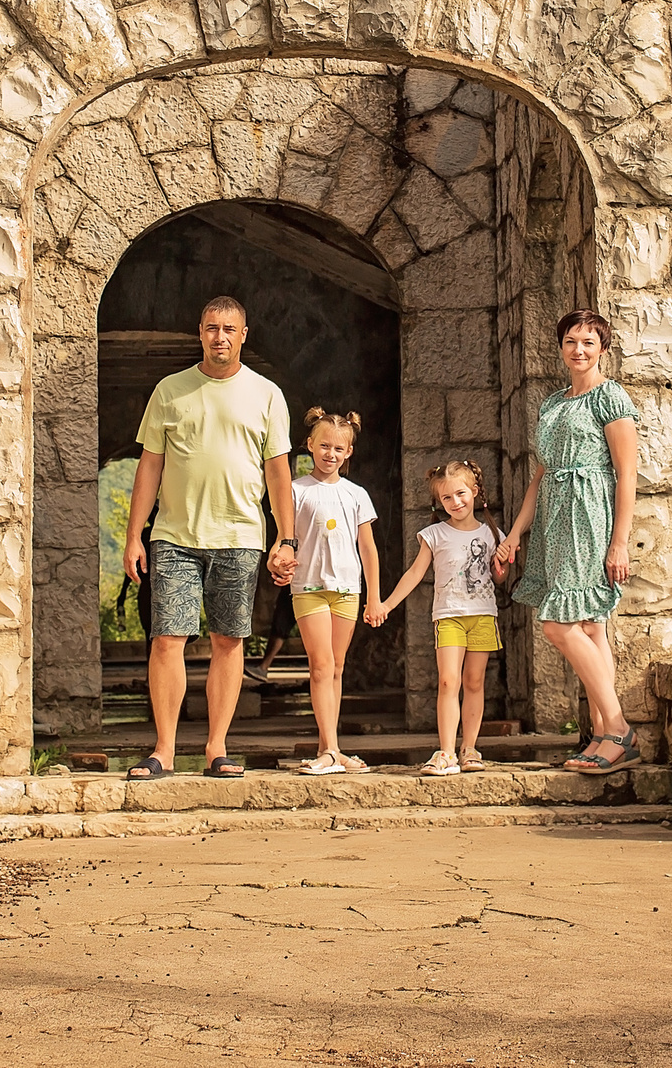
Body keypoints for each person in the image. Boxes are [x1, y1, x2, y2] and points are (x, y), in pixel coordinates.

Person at [119, 297, 295, 780]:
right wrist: (135, 535)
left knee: (229, 640)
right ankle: (165, 750)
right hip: (174, 536)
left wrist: (288, 538)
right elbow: (149, 467)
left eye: (230, 329)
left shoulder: (266, 395)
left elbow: (278, 473)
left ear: (244, 334)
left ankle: (217, 748)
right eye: (212, 328)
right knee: (165, 640)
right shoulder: (169, 391)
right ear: (199, 332)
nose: (220, 336)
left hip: (240, 536)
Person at [497, 310, 641, 775]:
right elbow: (539, 477)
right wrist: (518, 532)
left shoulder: (610, 397)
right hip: (555, 519)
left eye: (589, 343)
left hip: (589, 516)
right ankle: (600, 736)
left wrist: (619, 543)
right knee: (593, 628)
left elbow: (626, 474)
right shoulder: (553, 403)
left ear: (603, 349)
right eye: (571, 342)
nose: (578, 350)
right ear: (561, 347)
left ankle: (619, 729)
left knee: (559, 626)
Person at [370, 460, 500, 778]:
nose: (455, 502)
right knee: (447, 682)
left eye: (461, 494)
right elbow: (415, 573)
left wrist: (502, 565)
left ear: (476, 492)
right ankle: (446, 752)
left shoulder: (493, 533)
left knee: (474, 682)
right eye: (447, 498)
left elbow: (499, 576)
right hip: (449, 616)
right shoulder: (434, 534)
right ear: (439, 502)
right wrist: (386, 604)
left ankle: (469, 748)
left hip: (482, 615)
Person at [274, 407, 380, 775]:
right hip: (309, 587)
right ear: (309, 446)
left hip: (348, 588)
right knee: (320, 667)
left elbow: (367, 548)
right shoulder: (295, 490)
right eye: (323, 446)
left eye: (338, 448)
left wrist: (374, 596)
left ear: (348, 452)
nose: (330, 454)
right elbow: (283, 537)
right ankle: (332, 751)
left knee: (336, 669)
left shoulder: (357, 495)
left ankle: (329, 749)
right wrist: (279, 560)